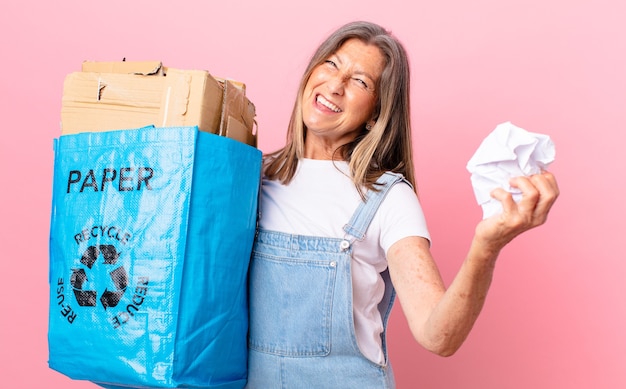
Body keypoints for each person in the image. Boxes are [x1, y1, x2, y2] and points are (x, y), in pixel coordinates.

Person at [245, 21, 559, 388]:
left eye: (360, 81)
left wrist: (486, 247)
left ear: (376, 113)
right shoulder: (251, 176)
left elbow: (437, 335)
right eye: (332, 63)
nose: (335, 85)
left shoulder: (387, 199)